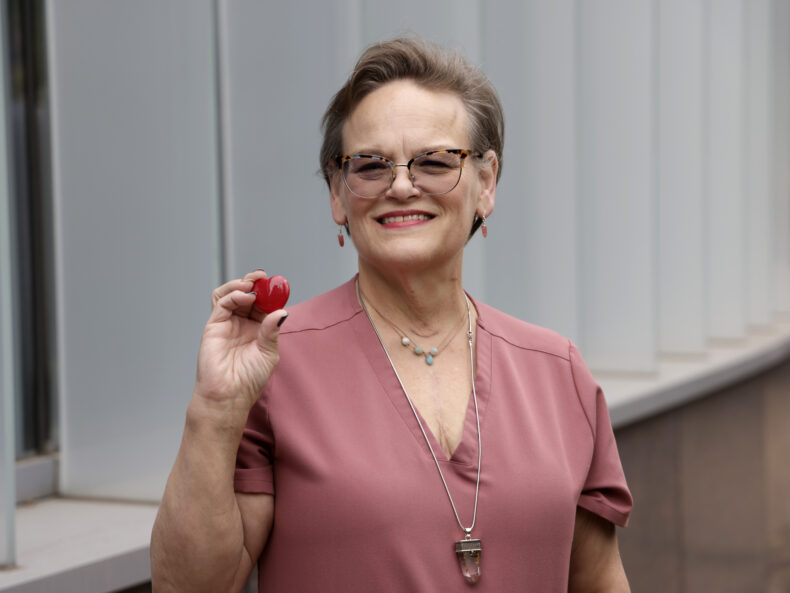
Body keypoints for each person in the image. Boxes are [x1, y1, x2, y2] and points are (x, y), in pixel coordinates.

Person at [151, 37, 633, 592]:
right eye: (370, 166)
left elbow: (600, 580)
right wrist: (214, 410)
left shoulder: (558, 372)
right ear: (338, 194)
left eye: (434, 162)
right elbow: (190, 587)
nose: (402, 186)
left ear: (486, 183)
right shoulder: (272, 363)